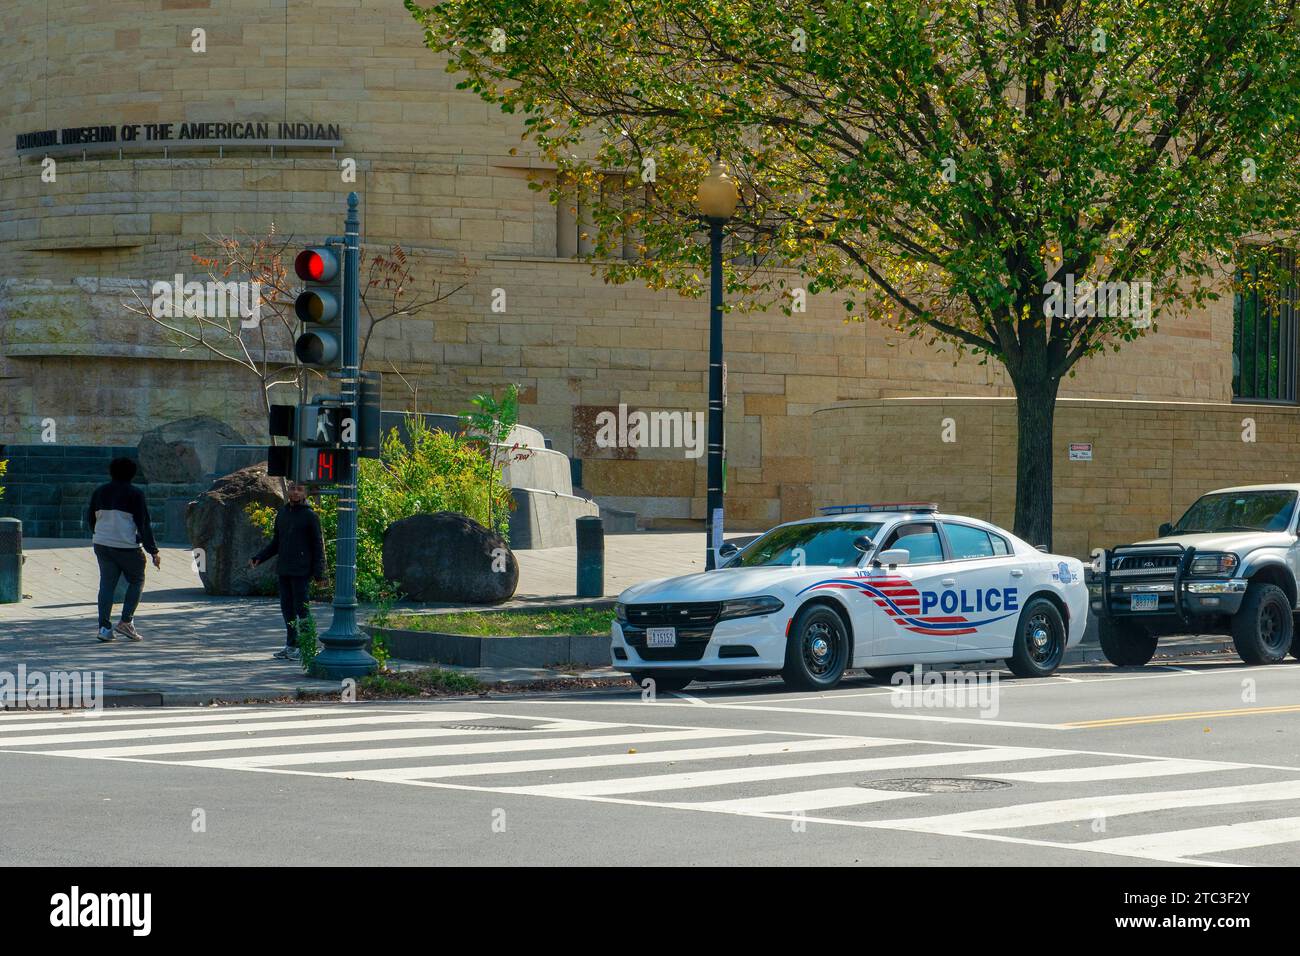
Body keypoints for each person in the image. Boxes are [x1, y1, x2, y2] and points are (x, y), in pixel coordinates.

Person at [249, 482, 326, 660]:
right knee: (287, 609)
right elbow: (277, 542)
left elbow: (317, 546)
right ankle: (291, 645)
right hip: (284, 569)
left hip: (301, 571)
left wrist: (319, 574)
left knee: (302, 609)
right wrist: (259, 557)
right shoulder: (283, 513)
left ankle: (306, 646)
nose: (295, 492)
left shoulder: (310, 516)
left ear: (305, 493)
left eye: (299, 489)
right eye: (292, 488)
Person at [87, 457, 161, 642]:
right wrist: (153, 550)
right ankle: (126, 622)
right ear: (132, 474)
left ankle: (104, 628)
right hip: (126, 546)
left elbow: (90, 517)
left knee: (106, 585)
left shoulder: (100, 491)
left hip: (102, 544)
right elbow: (143, 524)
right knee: (137, 579)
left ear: (111, 472)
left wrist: (99, 534)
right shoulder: (135, 494)